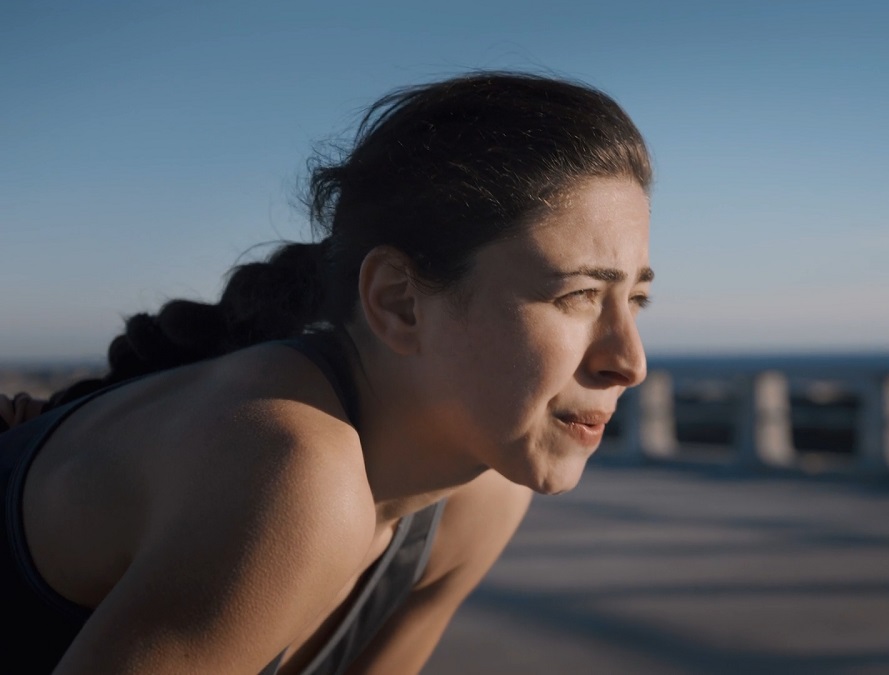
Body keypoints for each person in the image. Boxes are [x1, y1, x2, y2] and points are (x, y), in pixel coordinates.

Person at [1, 71, 654, 674]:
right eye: (578, 296)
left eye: (637, 300)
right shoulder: (289, 467)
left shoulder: (482, 491)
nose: (630, 361)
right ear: (399, 301)